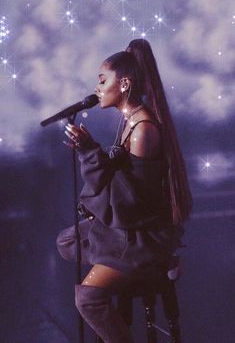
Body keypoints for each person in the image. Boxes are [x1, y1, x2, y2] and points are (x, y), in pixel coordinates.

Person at [57, 38, 192, 343]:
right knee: (67, 242)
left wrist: (90, 152)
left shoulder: (144, 129)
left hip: (140, 230)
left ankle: (153, 261)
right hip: (129, 219)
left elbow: (129, 202)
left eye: (103, 80)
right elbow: (123, 180)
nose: (97, 88)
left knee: (88, 299)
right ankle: (150, 266)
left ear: (125, 83)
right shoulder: (129, 122)